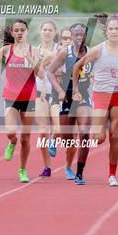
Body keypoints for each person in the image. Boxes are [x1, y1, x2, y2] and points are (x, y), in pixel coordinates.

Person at [72, 15, 118, 186]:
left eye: (117, 28)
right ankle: (80, 169)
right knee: (99, 137)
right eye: (111, 29)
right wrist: (75, 89)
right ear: (106, 32)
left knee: (114, 136)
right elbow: (77, 66)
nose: (114, 31)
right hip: (101, 95)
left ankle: (112, 174)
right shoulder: (98, 50)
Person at [0, 19, 42, 183]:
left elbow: (41, 75)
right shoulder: (6, 50)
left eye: (22, 30)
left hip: (29, 98)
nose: (19, 33)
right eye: (16, 30)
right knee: (11, 131)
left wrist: (32, 61)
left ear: (27, 32)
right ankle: (12, 143)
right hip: (11, 97)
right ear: (12, 33)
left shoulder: (34, 50)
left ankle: (22, 170)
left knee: (26, 138)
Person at [47, 23, 93, 185]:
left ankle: (79, 172)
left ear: (86, 36)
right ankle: (61, 140)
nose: (79, 37)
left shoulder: (92, 52)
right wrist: (59, 90)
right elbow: (50, 72)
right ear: (71, 36)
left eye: (82, 34)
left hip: (83, 98)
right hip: (66, 97)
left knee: (85, 132)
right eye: (76, 34)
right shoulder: (64, 53)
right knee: (68, 140)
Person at [35, 20, 58, 177]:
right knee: (43, 132)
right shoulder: (34, 50)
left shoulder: (60, 50)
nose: (47, 32)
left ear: (54, 32)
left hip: (56, 93)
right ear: (40, 31)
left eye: (50, 29)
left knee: (58, 128)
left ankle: (53, 141)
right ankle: (47, 166)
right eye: (45, 29)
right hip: (39, 94)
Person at [46, 26, 72, 158]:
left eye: (70, 38)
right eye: (64, 38)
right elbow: (42, 71)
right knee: (58, 128)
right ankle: (52, 140)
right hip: (56, 95)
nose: (67, 41)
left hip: (72, 96)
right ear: (60, 39)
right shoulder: (53, 54)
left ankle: (69, 164)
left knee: (69, 133)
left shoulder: (77, 56)